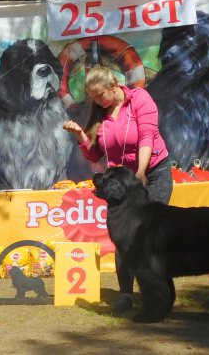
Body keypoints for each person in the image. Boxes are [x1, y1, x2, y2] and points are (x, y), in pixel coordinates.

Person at [62, 65, 173, 313]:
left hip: (153, 174)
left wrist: (142, 171)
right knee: (124, 236)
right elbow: (93, 154)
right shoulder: (100, 112)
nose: (97, 101)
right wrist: (80, 134)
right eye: (93, 97)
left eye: (100, 95)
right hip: (124, 184)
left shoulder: (140, 99)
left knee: (148, 234)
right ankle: (125, 294)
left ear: (114, 86)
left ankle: (158, 293)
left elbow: (147, 136)